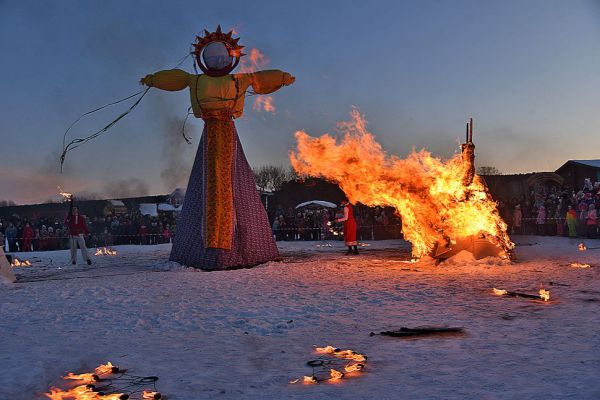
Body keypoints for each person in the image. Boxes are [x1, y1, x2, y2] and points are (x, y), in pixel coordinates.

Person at [140, 27, 294, 270]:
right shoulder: (208, 80)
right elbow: (175, 79)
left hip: (223, 135)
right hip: (214, 135)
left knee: (226, 181)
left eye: (219, 55)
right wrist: (153, 80)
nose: (216, 59)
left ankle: (225, 245)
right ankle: (214, 245)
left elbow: (261, 78)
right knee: (212, 181)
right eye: (212, 56)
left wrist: (282, 78)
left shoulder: (224, 80)